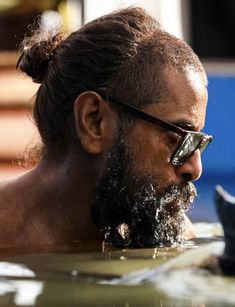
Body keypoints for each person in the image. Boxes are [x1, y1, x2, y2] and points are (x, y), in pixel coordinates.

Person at [0, 7, 212, 248]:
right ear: (93, 121)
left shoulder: (176, 232)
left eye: (197, 142)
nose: (195, 169)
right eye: (177, 136)